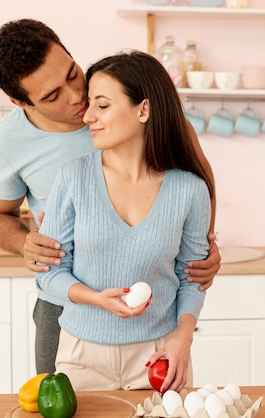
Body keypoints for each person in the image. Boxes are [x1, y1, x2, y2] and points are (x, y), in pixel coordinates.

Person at [0, 19, 220, 375]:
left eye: (72, 73)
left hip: (151, 313)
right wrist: (27, 243)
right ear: (21, 102)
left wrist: (201, 253)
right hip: (63, 301)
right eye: (51, 95)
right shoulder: (6, 141)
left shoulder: (127, 99)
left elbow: (198, 180)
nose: (77, 97)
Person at [36, 49, 211, 392]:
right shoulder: (74, 178)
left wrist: (183, 339)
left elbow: (192, 279)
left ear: (143, 109)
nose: (88, 117)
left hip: (159, 354)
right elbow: (49, 275)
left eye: (102, 105)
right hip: (81, 355)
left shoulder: (190, 190)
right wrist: (95, 298)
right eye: (89, 105)